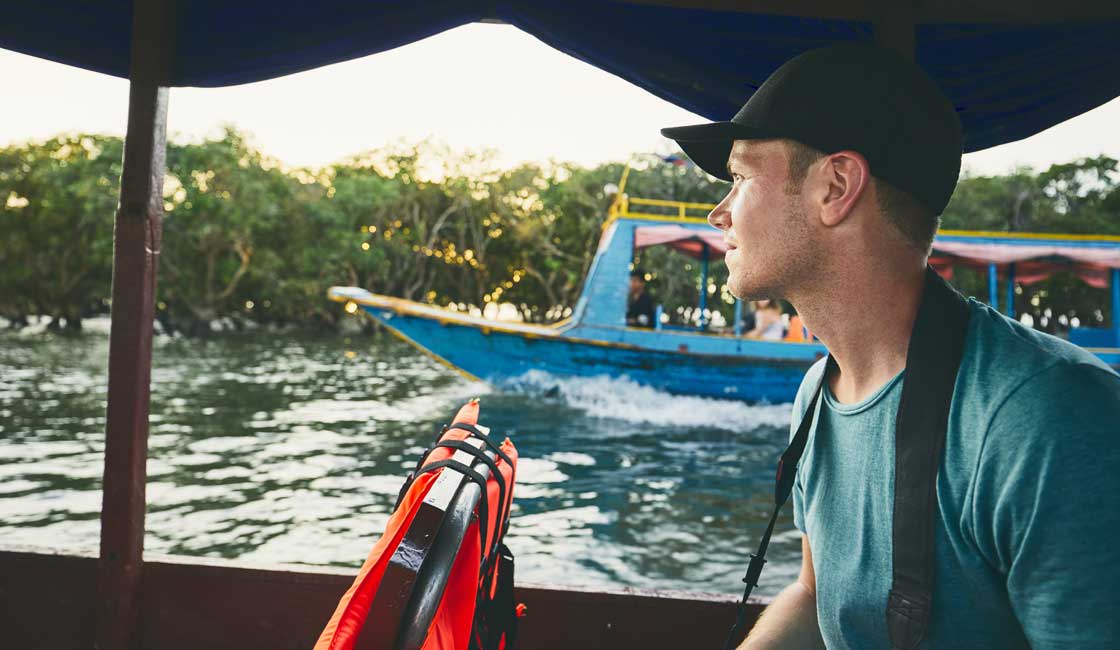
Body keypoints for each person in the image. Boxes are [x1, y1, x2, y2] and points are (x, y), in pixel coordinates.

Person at [662, 44, 1120, 649]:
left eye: (742, 176)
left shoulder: (1047, 418)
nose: (719, 212)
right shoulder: (818, 392)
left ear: (836, 186)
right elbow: (813, 594)